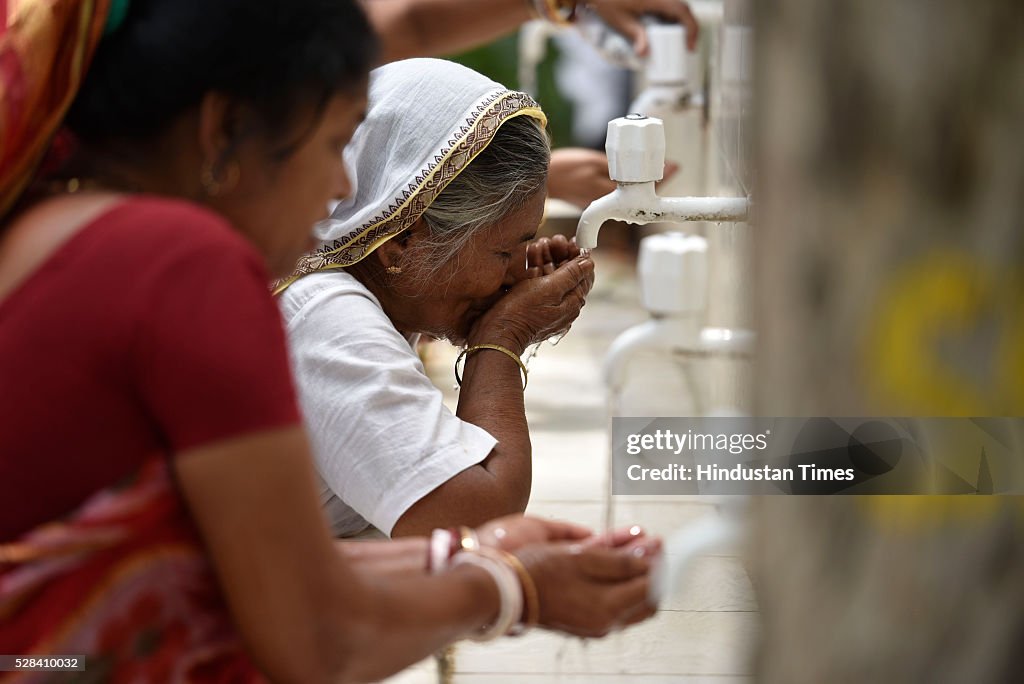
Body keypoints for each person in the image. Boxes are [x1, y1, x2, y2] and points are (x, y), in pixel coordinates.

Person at [0, 1, 659, 681]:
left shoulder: (60, 220)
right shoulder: (186, 265)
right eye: (329, 145)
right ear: (225, 126)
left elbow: (263, 572)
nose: (348, 185)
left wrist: (479, 565)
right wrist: (515, 586)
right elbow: (316, 635)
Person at [275, 58, 591, 539]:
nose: (515, 275)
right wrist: (502, 338)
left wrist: (496, 301)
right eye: (504, 250)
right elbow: (476, 518)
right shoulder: (326, 316)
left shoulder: (352, 281)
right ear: (402, 239)